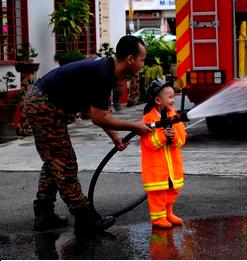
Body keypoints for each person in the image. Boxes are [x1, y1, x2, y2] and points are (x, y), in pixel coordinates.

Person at [23, 35, 152, 233]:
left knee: (54, 160)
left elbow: (99, 113)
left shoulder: (106, 70)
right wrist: (135, 126)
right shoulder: (103, 74)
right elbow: (99, 118)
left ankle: (44, 214)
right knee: (64, 163)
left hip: (45, 102)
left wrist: (115, 137)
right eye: (142, 60)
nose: (143, 64)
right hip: (43, 104)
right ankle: (85, 219)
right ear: (130, 59)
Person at [140, 79, 187, 228]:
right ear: (158, 100)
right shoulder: (148, 119)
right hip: (156, 169)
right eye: (170, 97)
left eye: (173, 96)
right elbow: (149, 143)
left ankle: (168, 213)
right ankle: (158, 218)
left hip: (173, 167)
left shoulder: (175, 117)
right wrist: (162, 136)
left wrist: (173, 137)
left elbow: (182, 140)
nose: (173, 100)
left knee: (172, 191)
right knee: (158, 194)